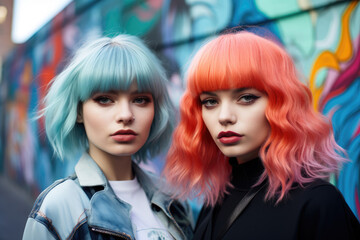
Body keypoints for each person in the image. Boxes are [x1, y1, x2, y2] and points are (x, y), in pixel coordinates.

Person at [163, 31, 360, 239]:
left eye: (246, 98)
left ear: (281, 103)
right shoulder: (215, 203)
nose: (224, 116)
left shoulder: (317, 203)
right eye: (210, 101)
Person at [23, 34, 193, 240]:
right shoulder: (59, 206)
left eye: (140, 100)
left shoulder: (174, 200)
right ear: (78, 111)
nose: (125, 115)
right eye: (104, 99)